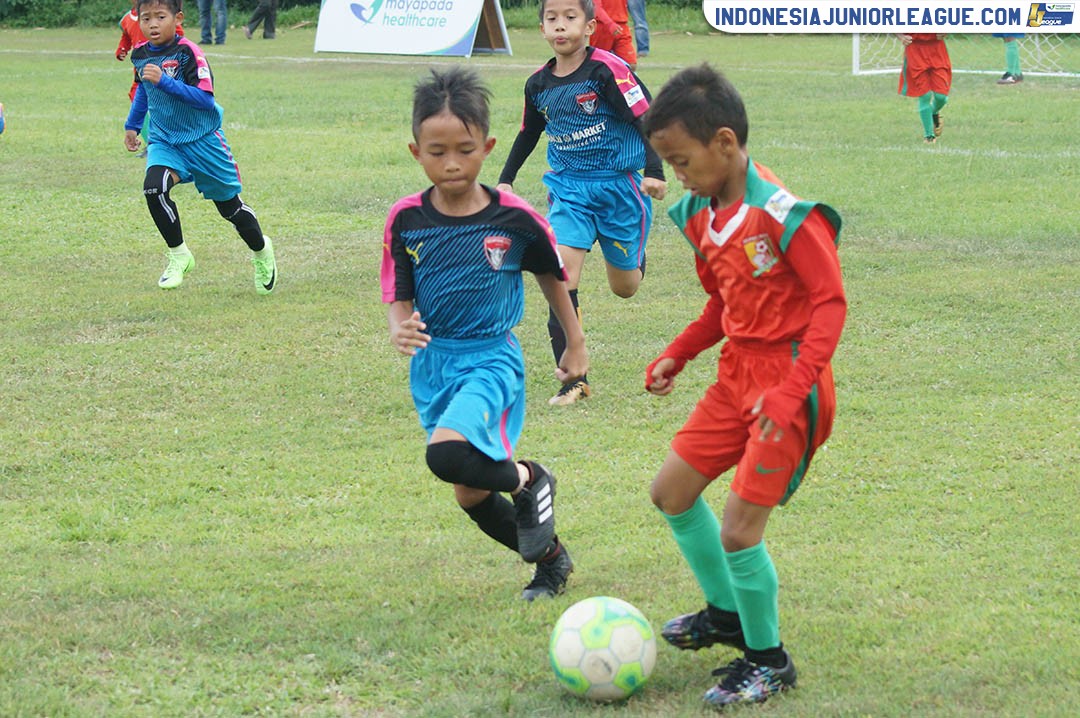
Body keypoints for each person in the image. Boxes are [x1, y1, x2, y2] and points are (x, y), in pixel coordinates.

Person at [641, 63, 846, 708]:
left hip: (788, 385)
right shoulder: (699, 213)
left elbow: (830, 304)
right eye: (668, 163)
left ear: (724, 143)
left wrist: (790, 394)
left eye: (681, 159)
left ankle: (769, 660)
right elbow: (720, 306)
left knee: (738, 530)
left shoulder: (783, 214)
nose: (677, 173)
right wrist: (679, 351)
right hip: (736, 376)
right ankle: (725, 615)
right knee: (672, 492)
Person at [382, 66, 588, 600]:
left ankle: (528, 479)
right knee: (469, 494)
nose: (451, 163)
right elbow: (397, 290)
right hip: (433, 364)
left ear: (487, 146)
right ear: (416, 151)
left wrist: (576, 343)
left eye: (465, 149)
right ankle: (551, 561)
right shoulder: (406, 219)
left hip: (491, 359)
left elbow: (551, 276)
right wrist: (399, 326)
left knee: (445, 455)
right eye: (437, 151)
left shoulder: (513, 217)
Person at [497, 0, 666, 406]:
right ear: (541, 29)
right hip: (569, 189)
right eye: (551, 19)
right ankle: (574, 378)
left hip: (620, 189)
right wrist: (505, 180)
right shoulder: (538, 84)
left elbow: (645, 117)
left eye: (570, 18)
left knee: (625, 287)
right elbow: (528, 132)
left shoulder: (608, 70)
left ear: (590, 27)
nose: (560, 26)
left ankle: (633, 257)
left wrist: (655, 171)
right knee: (561, 276)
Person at [124, 0, 277, 293]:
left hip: (204, 141)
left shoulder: (188, 53)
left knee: (230, 209)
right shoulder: (140, 54)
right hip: (165, 140)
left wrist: (166, 83)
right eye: (146, 18)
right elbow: (144, 90)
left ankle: (261, 251)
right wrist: (132, 125)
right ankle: (179, 255)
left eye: (160, 17)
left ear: (177, 18)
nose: (152, 24)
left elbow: (205, 99)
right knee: (154, 187)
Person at [117, 0, 184, 157]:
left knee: (163, 100)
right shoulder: (127, 19)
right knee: (137, 97)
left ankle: (166, 141)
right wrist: (122, 49)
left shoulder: (161, 13)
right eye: (146, 19)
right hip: (142, 69)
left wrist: (173, 48)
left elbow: (177, 32)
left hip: (164, 67)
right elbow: (126, 36)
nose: (152, 24)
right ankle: (151, 142)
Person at [897, 33, 950, 144]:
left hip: (937, 49)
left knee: (941, 97)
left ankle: (933, 111)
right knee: (924, 94)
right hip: (914, 50)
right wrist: (900, 36)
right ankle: (929, 136)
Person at [590, 0, 636, 70]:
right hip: (602, 26)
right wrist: (610, 24)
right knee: (598, 64)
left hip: (621, 25)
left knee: (631, 64)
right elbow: (596, 7)